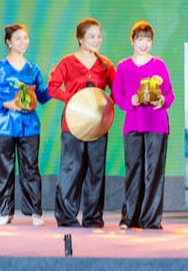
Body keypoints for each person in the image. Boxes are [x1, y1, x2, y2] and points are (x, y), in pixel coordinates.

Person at [48, 18, 115, 228]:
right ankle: (66, 217)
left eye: (99, 36)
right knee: (71, 170)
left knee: (96, 171)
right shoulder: (67, 62)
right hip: (73, 124)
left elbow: (116, 91)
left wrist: (106, 105)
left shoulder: (106, 65)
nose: (97, 40)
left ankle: (93, 217)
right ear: (80, 38)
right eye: (91, 36)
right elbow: (53, 88)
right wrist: (73, 99)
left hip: (97, 126)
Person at [0, 23, 51, 226]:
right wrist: (7, 104)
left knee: (31, 168)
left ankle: (35, 212)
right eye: (18, 38)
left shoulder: (33, 69)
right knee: (3, 169)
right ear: (8, 42)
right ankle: (4, 212)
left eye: (25, 38)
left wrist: (53, 84)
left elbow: (42, 96)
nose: (23, 42)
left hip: (29, 126)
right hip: (4, 125)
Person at [111, 21, 175, 231]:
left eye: (148, 40)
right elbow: (117, 95)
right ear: (132, 40)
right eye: (140, 39)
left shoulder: (159, 65)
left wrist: (162, 101)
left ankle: (151, 219)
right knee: (133, 170)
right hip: (133, 122)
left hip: (157, 123)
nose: (144, 44)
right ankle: (130, 217)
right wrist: (130, 101)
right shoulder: (123, 66)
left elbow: (169, 94)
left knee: (154, 171)